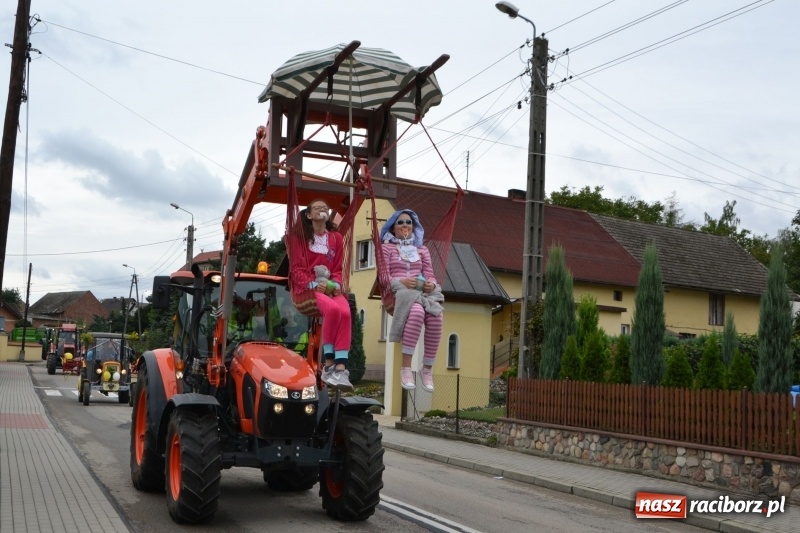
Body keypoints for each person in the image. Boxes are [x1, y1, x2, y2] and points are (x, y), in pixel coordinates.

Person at [380, 209, 444, 392]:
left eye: (408, 222)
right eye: (400, 222)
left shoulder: (422, 250)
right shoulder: (387, 248)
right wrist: (400, 281)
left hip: (421, 292)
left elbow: (430, 275)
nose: (405, 225)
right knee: (416, 313)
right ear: (393, 228)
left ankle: (427, 370)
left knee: (436, 315)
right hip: (399, 291)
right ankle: (406, 368)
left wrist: (430, 285)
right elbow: (383, 277)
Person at [296, 199, 353, 391]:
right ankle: (329, 362)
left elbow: (337, 268)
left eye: (325, 207)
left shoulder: (336, 238)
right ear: (309, 215)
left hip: (328, 285)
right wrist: (312, 283)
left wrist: (336, 284)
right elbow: (297, 269)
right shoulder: (300, 238)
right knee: (332, 309)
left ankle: (341, 367)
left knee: (344, 311)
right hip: (308, 289)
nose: (322, 209)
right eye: (317, 207)